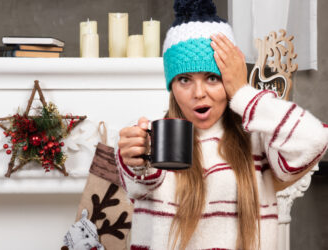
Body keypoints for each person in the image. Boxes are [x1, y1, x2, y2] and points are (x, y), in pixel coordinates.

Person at [116, 0, 328, 249]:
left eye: (213, 78)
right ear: (171, 87)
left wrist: (243, 92)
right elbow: (141, 179)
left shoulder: (259, 140)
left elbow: (317, 139)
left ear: (229, 80)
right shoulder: (157, 141)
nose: (198, 93)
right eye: (184, 79)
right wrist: (134, 158)